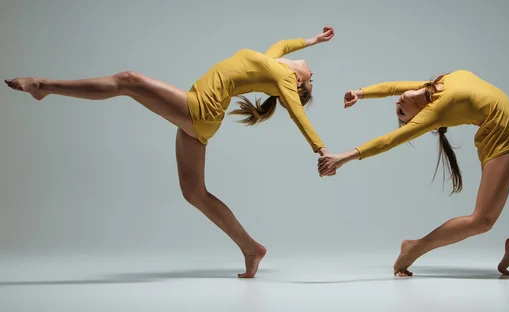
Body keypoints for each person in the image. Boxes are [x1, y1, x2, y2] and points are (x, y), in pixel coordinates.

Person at [5, 26, 336, 279]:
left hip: (199, 109)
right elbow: (285, 45)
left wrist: (321, 150)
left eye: (311, 81)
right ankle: (252, 248)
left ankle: (42, 86)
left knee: (127, 80)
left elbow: (298, 115)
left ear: (296, 82)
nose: (313, 74)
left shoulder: (281, 76)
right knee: (194, 192)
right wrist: (314, 40)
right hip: (202, 116)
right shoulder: (274, 61)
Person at [317, 70, 509, 277]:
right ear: (420, 117)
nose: (398, 102)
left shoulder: (437, 84)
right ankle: (414, 247)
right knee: (482, 220)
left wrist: (361, 93)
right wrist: (343, 157)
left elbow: (394, 87)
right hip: (501, 137)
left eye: (398, 107)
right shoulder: (436, 111)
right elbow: (389, 141)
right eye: (401, 112)